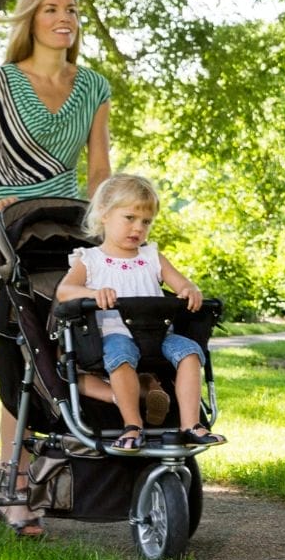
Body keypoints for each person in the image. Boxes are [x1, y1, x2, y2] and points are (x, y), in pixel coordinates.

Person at [0, 0, 113, 537]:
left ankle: (57, 460)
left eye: (71, 9)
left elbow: (97, 171)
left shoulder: (93, 86)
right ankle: (14, 482)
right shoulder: (0, 83)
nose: (64, 17)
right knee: (25, 347)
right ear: (30, 19)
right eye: (51, 9)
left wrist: (108, 228)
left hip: (70, 240)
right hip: (8, 244)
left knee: (73, 349)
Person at [56, 174, 225, 453]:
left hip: (158, 336)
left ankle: (191, 425)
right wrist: (92, 294)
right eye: (130, 218)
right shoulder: (90, 260)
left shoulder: (151, 257)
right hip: (114, 334)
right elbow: (65, 291)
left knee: (191, 352)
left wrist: (190, 289)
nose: (138, 228)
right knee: (120, 356)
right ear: (104, 215)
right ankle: (132, 425)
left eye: (146, 222)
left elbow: (180, 283)